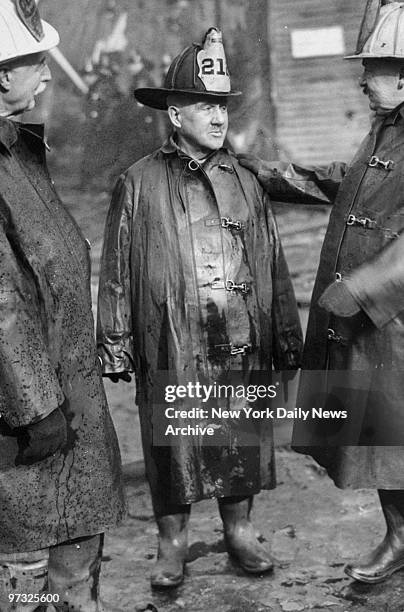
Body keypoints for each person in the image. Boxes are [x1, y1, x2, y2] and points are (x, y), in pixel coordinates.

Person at [97, 27, 302, 588]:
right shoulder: (138, 182)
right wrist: (114, 341)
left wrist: (286, 333)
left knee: (238, 431)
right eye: (204, 106)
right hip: (171, 335)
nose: (218, 118)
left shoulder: (247, 182)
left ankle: (239, 530)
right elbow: (115, 269)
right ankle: (173, 543)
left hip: (240, 334)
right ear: (175, 115)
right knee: (174, 442)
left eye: (222, 107)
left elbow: (273, 262)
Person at [238, 0, 404, 585]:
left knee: (392, 428)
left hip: (391, 317)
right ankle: (400, 535)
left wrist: (360, 289)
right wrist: (270, 173)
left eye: (373, 69)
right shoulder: (389, 128)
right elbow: (346, 182)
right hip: (377, 323)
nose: (362, 80)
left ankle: (401, 538)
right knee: (378, 432)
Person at [0, 1, 125, 610]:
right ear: (1, 75)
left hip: (60, 395)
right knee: (27, 566)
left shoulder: (15, 152)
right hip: (36, 415)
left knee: (72, 547)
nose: (49, 74)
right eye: (36, 62)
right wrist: (37, 405)